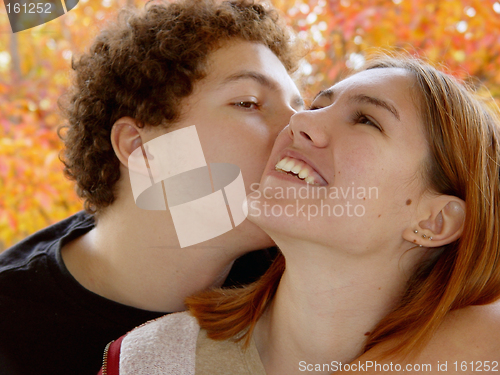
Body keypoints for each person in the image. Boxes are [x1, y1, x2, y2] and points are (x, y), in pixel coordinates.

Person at [100, 54, 500, 374]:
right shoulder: (146, 361)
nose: (299, 121)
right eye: (315, 104)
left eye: (366, 120)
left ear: (435, 222)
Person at [0, 1, 305, 374]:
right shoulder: (13, 333)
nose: (300, 128)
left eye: (299, 108)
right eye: (249, 102)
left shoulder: (303, 278)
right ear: (139, 147)